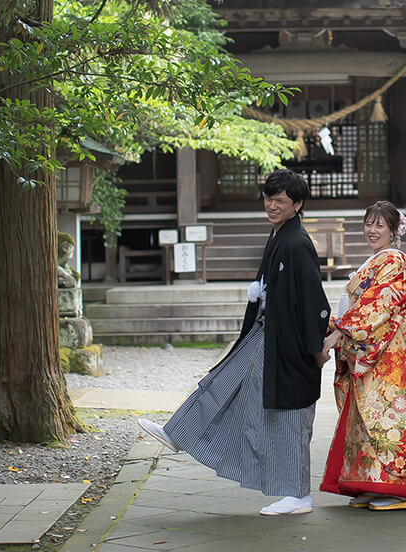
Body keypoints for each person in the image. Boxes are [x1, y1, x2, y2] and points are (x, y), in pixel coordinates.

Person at [138, 169, 331, 516]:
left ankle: (298, 494)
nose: (272, 205)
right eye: (268, 198)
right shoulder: (280, 237)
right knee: (221, 384)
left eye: (280, 200)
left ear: (297, 204)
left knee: (287, 419)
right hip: (266, 334)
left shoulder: (296, 243)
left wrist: (317, 350)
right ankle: (178, 432)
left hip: (290, 346)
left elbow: (314, 301)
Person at [319, 200, 406, 511]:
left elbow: (380, 303)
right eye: (369, 224)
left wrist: (341, 330)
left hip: (386, 356)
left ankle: (402, 488)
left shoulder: (392, 261)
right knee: (366, 420)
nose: (372, 230)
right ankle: (373, 483)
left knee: (389, 419)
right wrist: (337, 324)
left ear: (393, 231)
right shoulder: (376, 261)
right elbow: (363, 305)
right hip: (370, 352)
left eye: (380, 225)